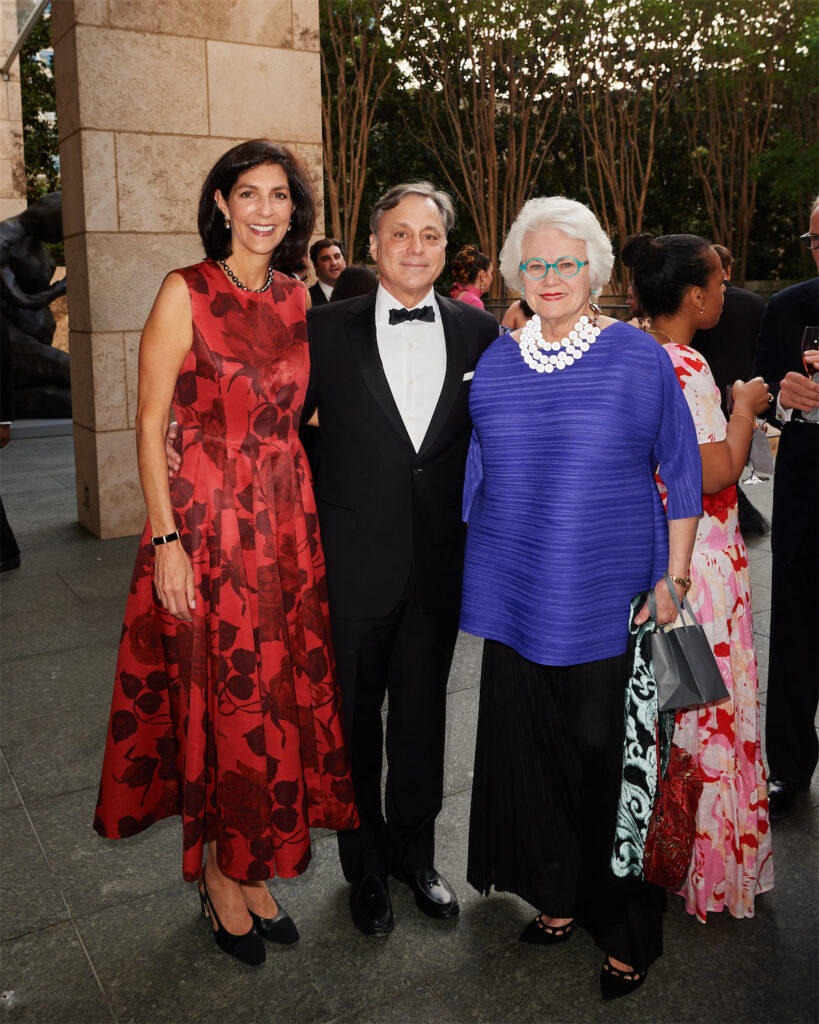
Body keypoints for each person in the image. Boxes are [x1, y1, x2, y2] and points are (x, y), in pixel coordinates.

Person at [93, 140, 357, 967]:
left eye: (279, 195)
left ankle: (251, 863)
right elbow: (146, 423)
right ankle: (217, 873)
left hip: (283, 521)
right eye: (248, 193)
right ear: (220, 203)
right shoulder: (187, 291)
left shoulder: (295, 297)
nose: (265, 209)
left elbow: (305, 411)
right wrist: (165, 538)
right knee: (215, 692)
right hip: (205, 520)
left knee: (269, 697)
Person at [460, 197, 702, 1000]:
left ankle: (627, 930)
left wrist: (672, 577)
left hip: (611, 598)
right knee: (531, 759)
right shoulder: (497, 360)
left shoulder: (637, 357)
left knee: (610, 766)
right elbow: (475, 479)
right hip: (515, 593)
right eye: (536, 263)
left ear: (594, 271)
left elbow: (681, 469)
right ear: (515, 275)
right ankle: (557, 897)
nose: (552, 276)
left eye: (567, 262)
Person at [304, 182, 499, 936]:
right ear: (373, 244)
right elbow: (277, 432)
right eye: (399, 234)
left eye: (429, 235)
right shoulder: (321, 328)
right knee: (353, 720)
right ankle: (363, 869)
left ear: (444, 249)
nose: (414, 247)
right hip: (349, 560)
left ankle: (416, 856)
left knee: (421, 717)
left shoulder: (480, 335)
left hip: (439, 560)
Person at [623, 232, 774, 922]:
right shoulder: (685, 366)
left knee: (661, 718)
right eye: (715, 281)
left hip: (642, 554)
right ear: (692, 295)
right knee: (705, 716)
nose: (722, 290)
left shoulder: (623, 348)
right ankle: (707, 869)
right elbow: (715, 472)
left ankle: (658, 854)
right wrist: (743, 407)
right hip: (699, 565)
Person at [753, 195, 819, 820]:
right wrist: (784, 401)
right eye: (818, 240)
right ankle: (790, 769)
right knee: (797, 639)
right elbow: (761, 392)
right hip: (807, 499)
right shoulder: (787, 307)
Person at [691, 244, 769, 536]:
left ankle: (745, 519)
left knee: (717, 464)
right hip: (742, 390)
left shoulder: (697, 303)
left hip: (706, 393)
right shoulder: (754, 303)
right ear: (729, 269)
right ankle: (746, 519)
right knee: (726, 461)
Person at [449, 244, 493, 308]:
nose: (491, 277)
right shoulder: (474, 302)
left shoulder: (460, 294)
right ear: (483, 275)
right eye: (491, 272)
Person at [308, 237, 346, 306]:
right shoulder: (307, 299)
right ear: (315, 266)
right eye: (325, 259)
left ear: (344, 261)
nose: (334, 263)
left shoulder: (358, 294)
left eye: (337, 257)